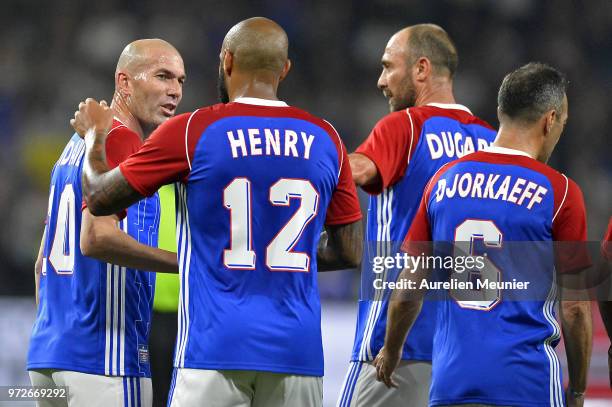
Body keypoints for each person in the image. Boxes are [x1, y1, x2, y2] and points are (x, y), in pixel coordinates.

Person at [71, 17, 363, 407]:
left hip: (213, 348)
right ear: (285, 69)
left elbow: (101, 196)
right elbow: (349, 252)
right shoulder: (327, 137)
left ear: (226, 61)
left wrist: (94, 140)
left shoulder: (193, 130)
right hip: (299, 352)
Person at [374, 62, 592, 407]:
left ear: (501, 111)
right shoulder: (561, 191)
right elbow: (576, 308)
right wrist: (578, 390)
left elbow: (409, 285)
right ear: (550, 120)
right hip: (527, 383)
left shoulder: (442, 180)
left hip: (451, 385)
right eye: (562, 123)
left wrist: (391, 347)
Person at [338, 24, 497, 407]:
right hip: (473, 352)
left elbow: (354, 171)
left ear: (421, 68)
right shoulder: (493, 142)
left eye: (388, 67)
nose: (381, 81)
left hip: (398, 347)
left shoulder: (406, 126)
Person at [28, 39, 185, 407]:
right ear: (124, 83)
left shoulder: (74, 146)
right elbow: (96, 237)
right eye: (162, 76)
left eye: (180, 80)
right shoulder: (123, 142)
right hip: (106, 358)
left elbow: (41, 265)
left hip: (49, 356)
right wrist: (185, 263)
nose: (174, 90)